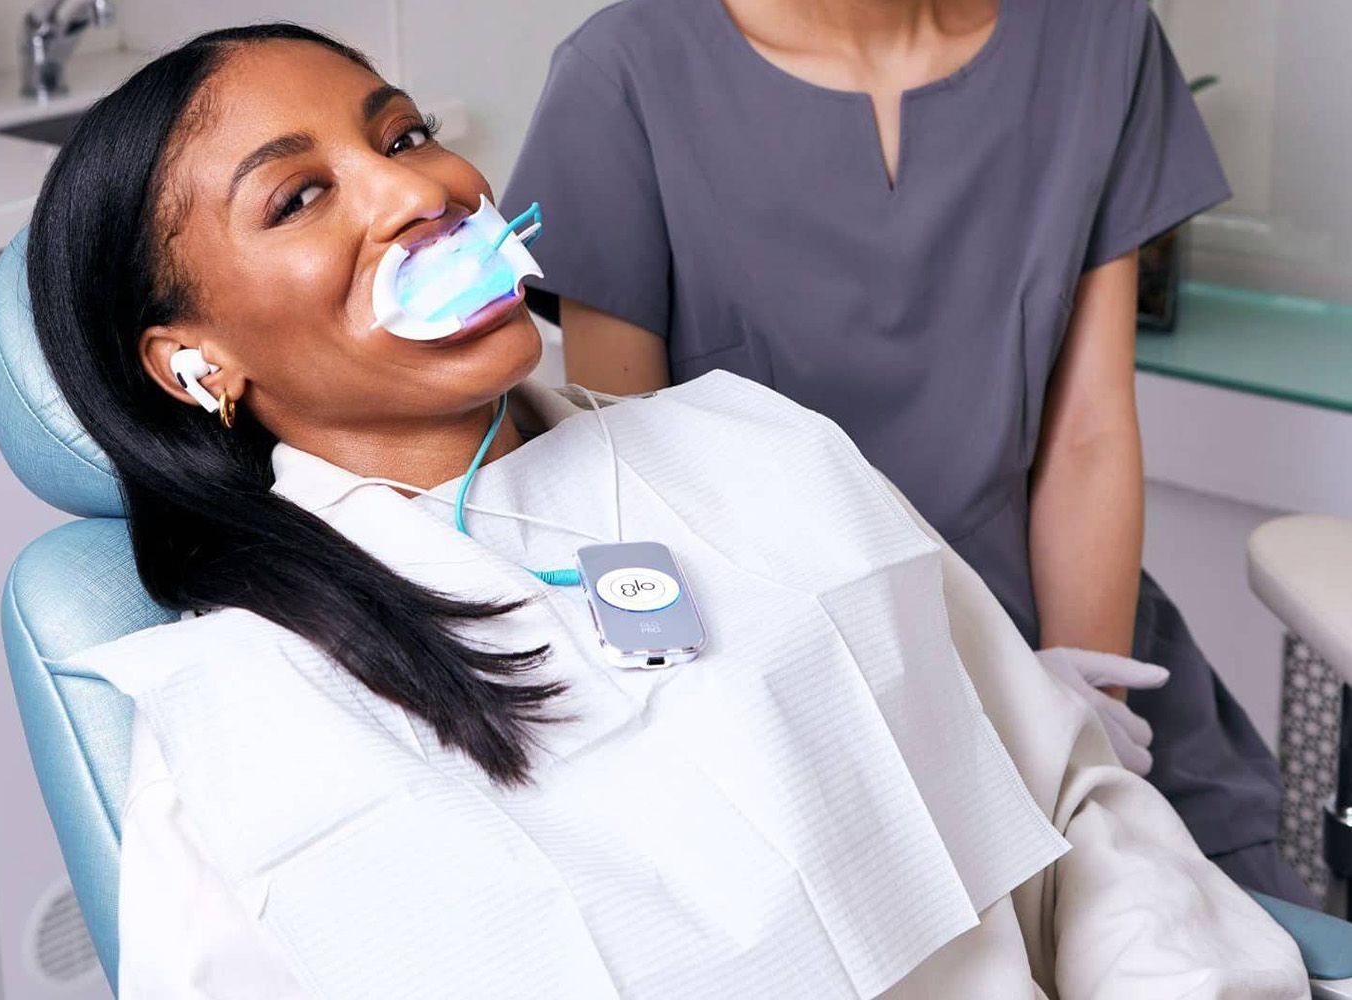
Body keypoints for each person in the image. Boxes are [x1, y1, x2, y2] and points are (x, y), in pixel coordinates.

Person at [29, 24, 1305, 998]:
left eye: (404, 135)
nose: (419, 192)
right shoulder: (243, 723)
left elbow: (1078, 809)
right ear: (193, 362)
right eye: (298, 196)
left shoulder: (762, 452)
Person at [500, 0, 1310, 903]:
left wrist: (1085, 735)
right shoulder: (625, 74)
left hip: (1070, 646)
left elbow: (1088, 436)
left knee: (1231, 931)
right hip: (806, 705)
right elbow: (637, 500)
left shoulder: (1097, 35)